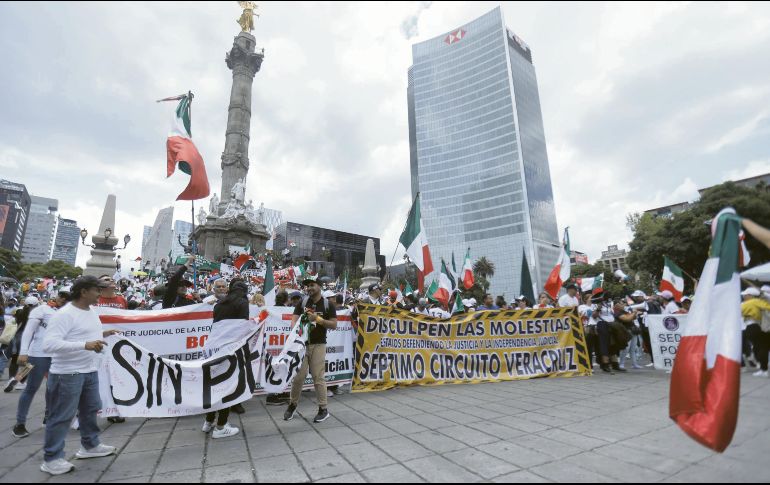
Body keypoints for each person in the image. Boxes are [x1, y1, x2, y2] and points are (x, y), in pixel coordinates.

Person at [40, 276, 120, 476]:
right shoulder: (64, 315)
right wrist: (84, 345)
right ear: (84, 292)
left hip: (89, 370)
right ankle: (52, 458)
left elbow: (85, 334)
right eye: (96, 290)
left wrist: (104, 334)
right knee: (62, 416)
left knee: (91, 408)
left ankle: (90, 446)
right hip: (67, 374)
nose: (100, 294)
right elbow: (49, 344)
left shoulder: (91, 311)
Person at [11, 290, 72, 438]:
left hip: (58, 356)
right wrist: (23, 351)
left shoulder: (69, 312)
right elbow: (28, 332)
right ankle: (20, 424)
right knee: (31, 388)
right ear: (58, 297)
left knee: (54, 389)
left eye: (67, 299)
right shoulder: (41, 310)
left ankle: (48, 418)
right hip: (37, 355)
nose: (63, 300)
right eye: (61, 297)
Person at [284, 276, 337, 424]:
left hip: (319, 344)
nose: (309, 288)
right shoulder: (303, 302)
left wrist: (318, 319)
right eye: (307, 286)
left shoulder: (328, 304)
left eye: (312, 285)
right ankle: (292, 405)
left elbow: (334, 325)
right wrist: (296, 330)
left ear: (319, 286)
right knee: (298, 377)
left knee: (318, 377)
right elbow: (294, 319)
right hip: (302, 345)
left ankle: (323, 409)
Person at [202, 279, 250, 438]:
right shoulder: (242, 302)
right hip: (228, 350)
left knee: (214, 385)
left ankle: (208, 422)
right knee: (227, 387)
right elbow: (241, 328)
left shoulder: (218, 305)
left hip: (212, 348)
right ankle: (221, 426)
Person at [741, 287, 770, 377]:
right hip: (760, 327)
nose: (744, 297)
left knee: (761, 348)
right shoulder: (756, 302)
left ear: (750, 296)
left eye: (745, 295)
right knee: (760, 348)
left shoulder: (755, 302)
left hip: (759, 327)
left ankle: (763, 369)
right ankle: (763, 369)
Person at [578, 293, 598, 367]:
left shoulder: (595, 306)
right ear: (586, 299)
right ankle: (589, 364)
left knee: (596, 346)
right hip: (587, 327)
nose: (592, 299)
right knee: (589, 347)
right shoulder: (581, 307)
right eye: (591, 297)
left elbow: (596, 316)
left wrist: (598, 309)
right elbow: (582, 316)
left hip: (596, 327)